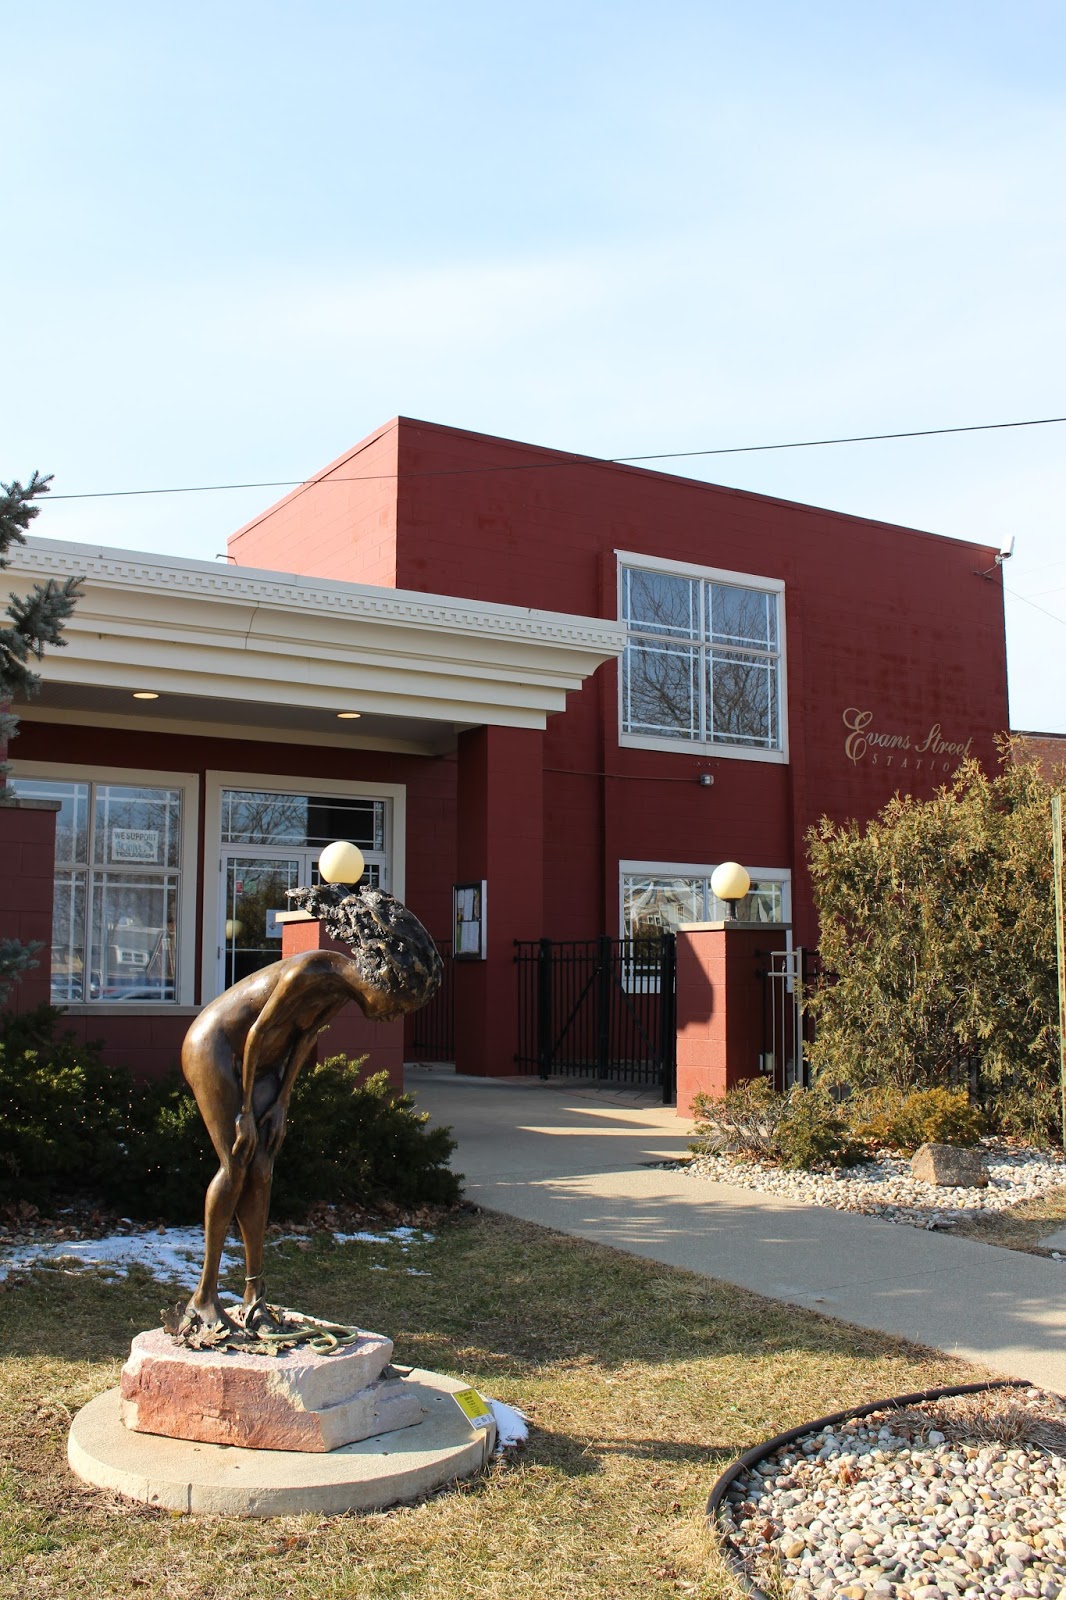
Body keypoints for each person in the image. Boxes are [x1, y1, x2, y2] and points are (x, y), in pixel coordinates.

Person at [180, 889, 441, 1331]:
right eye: (395, 1007)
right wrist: (245, 1112)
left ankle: (254, 1291)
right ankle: (204, 1296)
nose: (390, 1018)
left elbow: (303, 1040)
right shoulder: (310, 970)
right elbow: (257, 1032)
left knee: (262, 1167)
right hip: (218, 1048)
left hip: (263, 1065)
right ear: (380, 981)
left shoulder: (340, 991)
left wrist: (281, 1102)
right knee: (236, 1162)